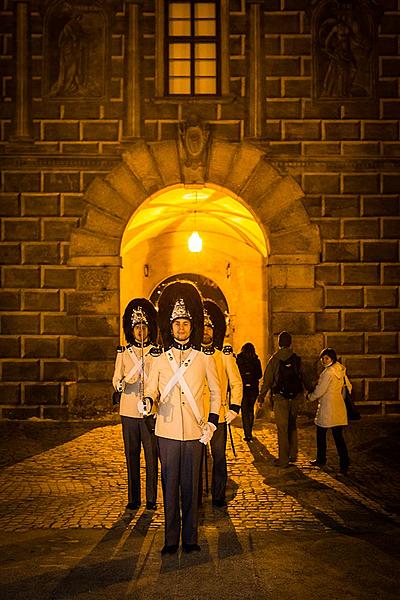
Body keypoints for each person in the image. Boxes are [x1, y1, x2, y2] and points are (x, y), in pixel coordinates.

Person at [144, 282, 221, 555]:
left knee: (191, 487)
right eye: (177, 323)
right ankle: (169, 539)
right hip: (166, 431)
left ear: (192, 326)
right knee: (170, 487)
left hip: (193, 431)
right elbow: (151, 388)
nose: (181, 328)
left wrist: (211, 422)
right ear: (171, 325)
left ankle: (190, 538)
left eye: (185, 323)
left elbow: (215, 392)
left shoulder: (204, 359)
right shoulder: (160, 360)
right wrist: (149, 401)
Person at [112, 298, 160, 511]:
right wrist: (122, 383)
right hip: (129, 409)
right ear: (131, 331)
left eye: (143, 327)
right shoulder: (123, 353)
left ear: (149, 329)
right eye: (136, 327)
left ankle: (151, 498)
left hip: (149, 411)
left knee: (151, 455)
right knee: (131, 455)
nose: (140, 331)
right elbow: (115, 379)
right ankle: (133, 497)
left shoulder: (156, 353)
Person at [201, 300, 243, 507]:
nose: (206, 331)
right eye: (204, 326)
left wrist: (234, 407)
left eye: (210, 327)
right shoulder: (193, 355)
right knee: (198, 457)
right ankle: (197, 492)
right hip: (197, 415)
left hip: (218, 414)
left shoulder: (223, 355)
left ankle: (218, 494)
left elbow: (236, 382)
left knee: (218, 456)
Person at [257, 331, 306, 468]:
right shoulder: (297, 359)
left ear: (279, 343)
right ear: (290, 343)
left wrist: (261, 397)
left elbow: (267, 380)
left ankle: (283, 459)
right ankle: (293, 454)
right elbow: (304, 377)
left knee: (282, 428)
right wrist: (310, 391)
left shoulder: (275, 359)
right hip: (295, 397)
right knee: (292, 425)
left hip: (280, 398)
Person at [305, 347, 350, 475]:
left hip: (327, 407)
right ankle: (344, 464)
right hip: (338, 406)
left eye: (326, 358)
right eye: (322, 358)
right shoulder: (340, 369)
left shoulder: (328, 372)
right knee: (338, 437)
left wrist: (310, 397)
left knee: (321, 433)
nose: (324, 361)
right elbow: (346, 388)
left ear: (332, 358)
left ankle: (322, 459)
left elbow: (320, 390)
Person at [236, 342, 262, 442]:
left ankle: (247, 433)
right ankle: (249, 431)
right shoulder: (256, 360)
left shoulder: (239, 360)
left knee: (244, 411)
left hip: (242, 388)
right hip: (253, 389)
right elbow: (259, 375)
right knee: (250, 410)